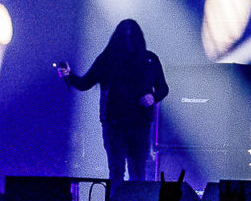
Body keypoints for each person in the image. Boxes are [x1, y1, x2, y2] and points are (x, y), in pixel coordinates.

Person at [57, 20, 169, 182]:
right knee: (117, 169)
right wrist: (69, 75)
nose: (129, 42)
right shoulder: (107, 60)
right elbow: (85, 83)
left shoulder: (149, 60)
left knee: (137, 170)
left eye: (132, 37)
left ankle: (133, 199)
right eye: (126, 37)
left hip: (139, 123)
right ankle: (119, 199)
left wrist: (153, 97)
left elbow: (163, 88)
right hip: (114, 123)